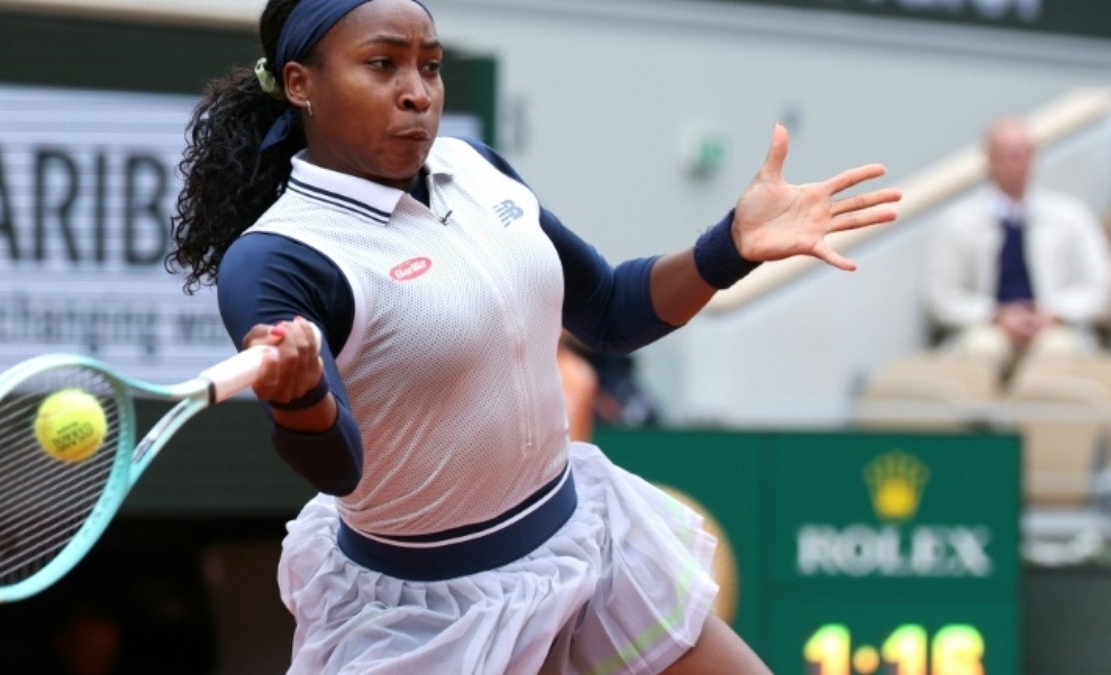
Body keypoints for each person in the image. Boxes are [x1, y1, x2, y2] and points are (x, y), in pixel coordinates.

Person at [167, 0, 900, 672]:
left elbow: (611, 310)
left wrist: (731, 244)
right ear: (301, 84)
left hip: (585, 548)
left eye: (430, 65)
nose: (418, 91)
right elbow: (338, 464)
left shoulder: (475, 167)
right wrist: (302, 401)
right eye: (383, 64)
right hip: (428, 621)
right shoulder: (278, 257)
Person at [923, 116, 1111, 382]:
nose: (1013, 164)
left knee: (1058, 354)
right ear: (988, 160)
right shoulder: (957, 223)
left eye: (1019, 155)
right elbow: (940, 297)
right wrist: (996, 315)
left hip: (1054, 327)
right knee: (981, 351)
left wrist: (1055, 312)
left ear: (1033, 158)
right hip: (987, 327)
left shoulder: (1072, 218)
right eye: (1003, 156)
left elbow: (1099, 287)